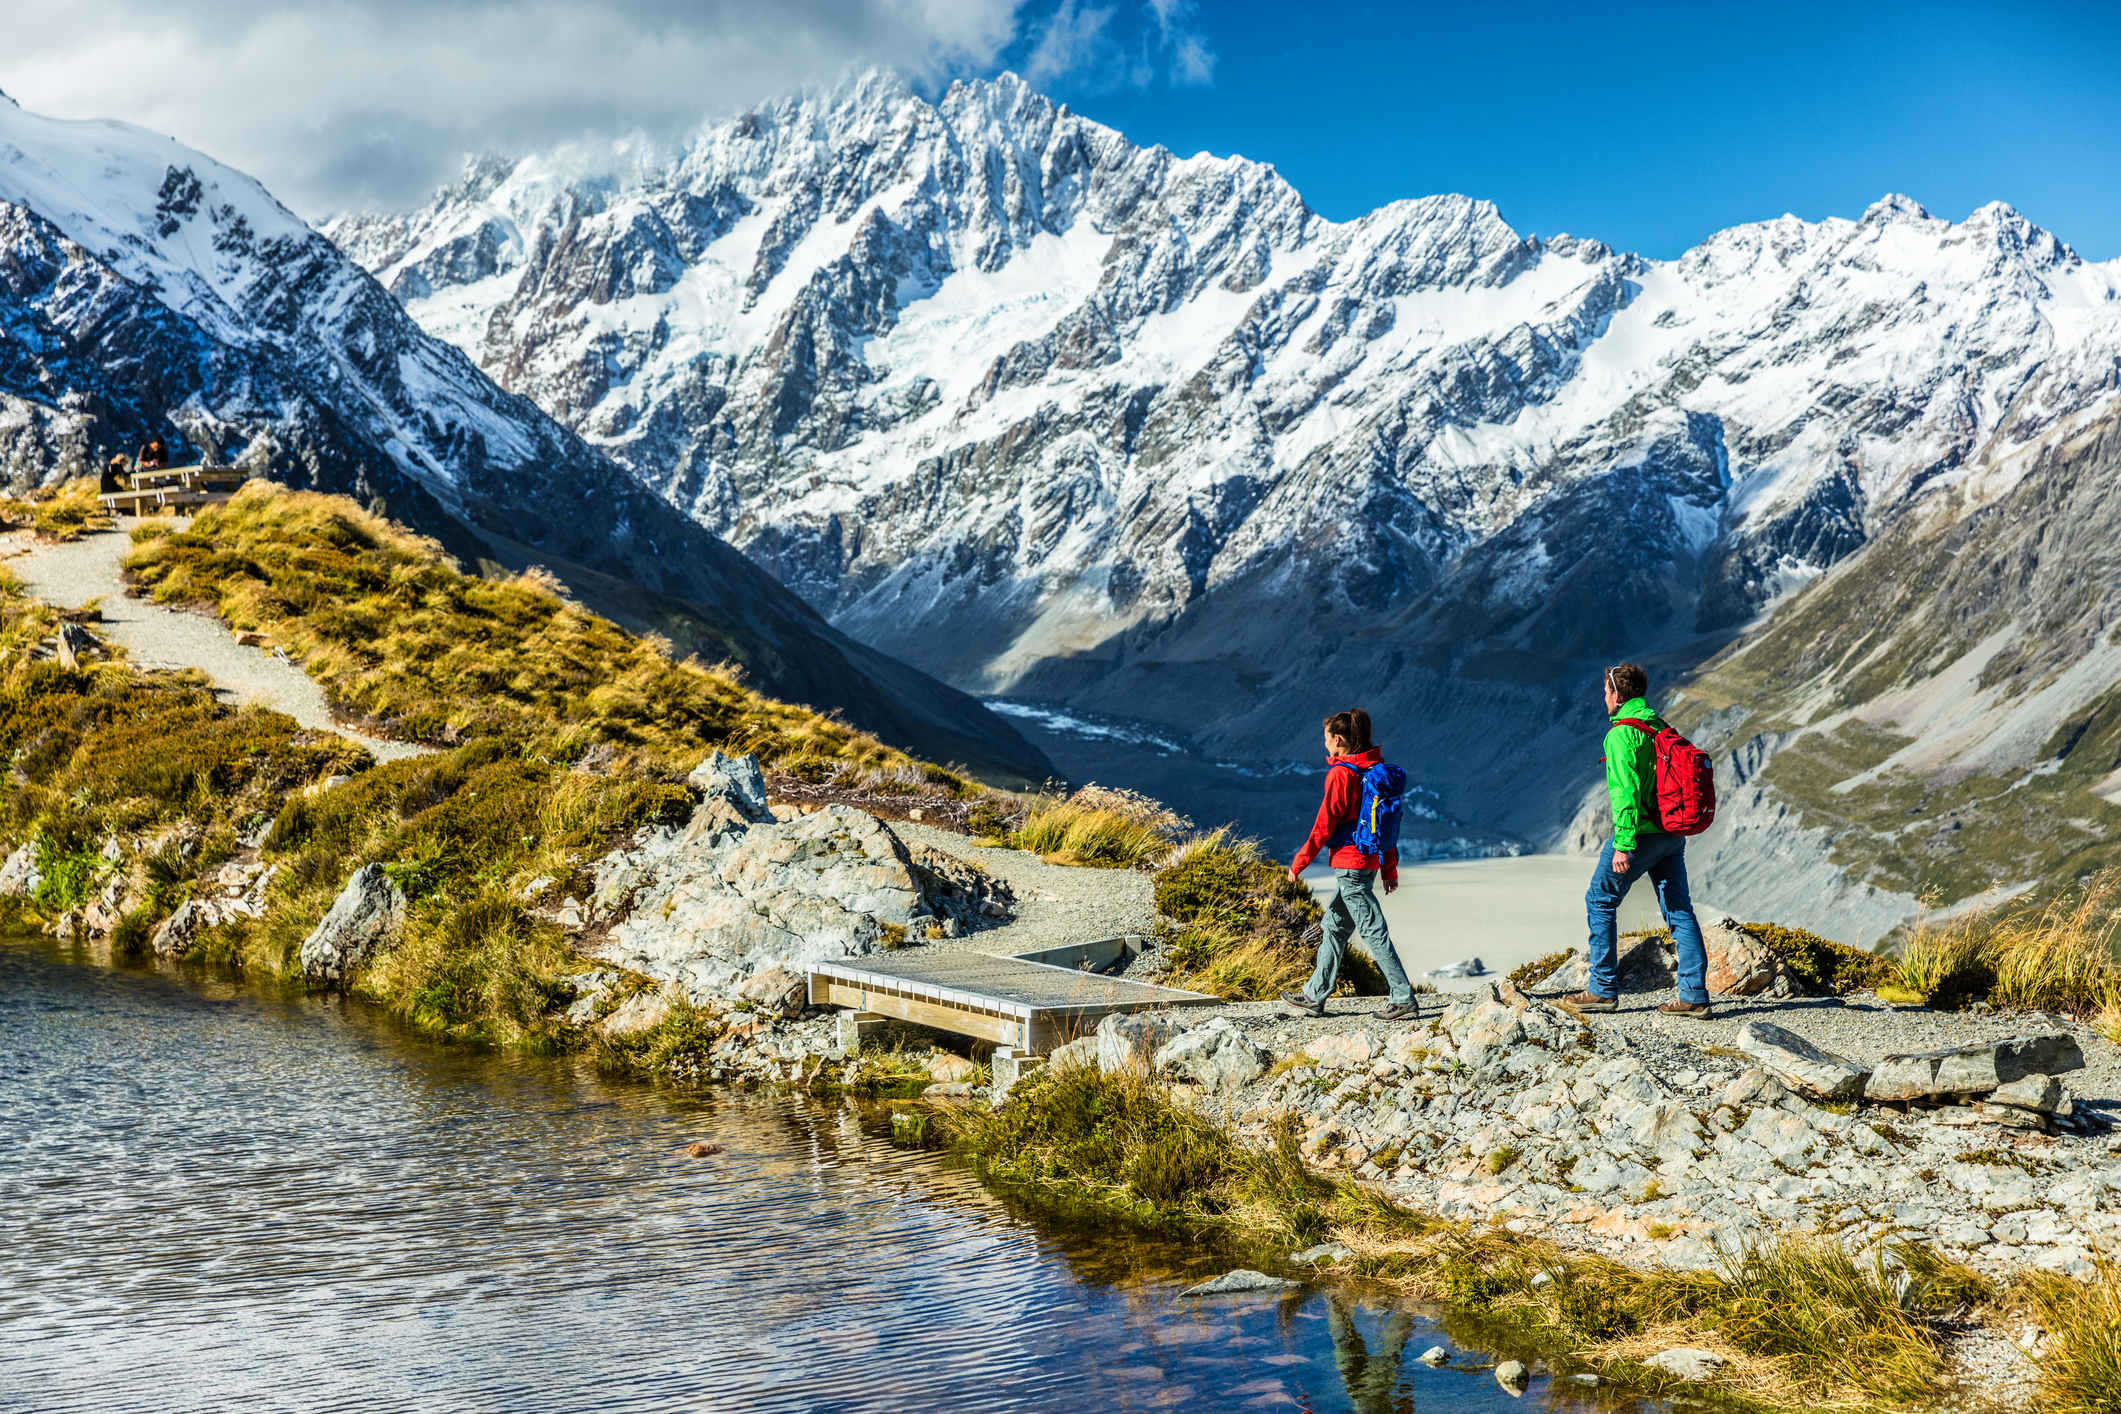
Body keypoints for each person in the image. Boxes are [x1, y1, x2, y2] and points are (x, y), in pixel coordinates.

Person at [1563, 663, 1714, 1017]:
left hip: (1641, 834)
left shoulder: (1620, 735)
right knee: (1679, 910)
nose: (1604, 698)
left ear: (1616, 694)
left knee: (1599, 900)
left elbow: (1625, 793)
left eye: (1605, 692)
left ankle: (1602, 989)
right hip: (1672, 833)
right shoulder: (1658, 726)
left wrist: (1623, 844)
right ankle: (1694, 995)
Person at [1280, 707, 1421, 1021]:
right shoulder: (1373, 771)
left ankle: (1403, 997)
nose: (1325, 744)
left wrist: (1299, 862)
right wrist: (1389, 868)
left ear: (1339, 739)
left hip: (1350, 866)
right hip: (1367, 864)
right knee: (1333, 926)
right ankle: (1315, 996)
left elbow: (1324, 825)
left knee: (1373, 931)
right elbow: (1387, 827)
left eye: (1327, 738)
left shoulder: (1342, 774)